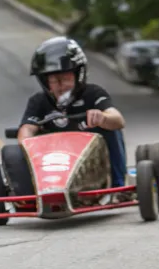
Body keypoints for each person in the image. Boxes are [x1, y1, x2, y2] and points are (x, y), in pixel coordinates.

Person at [17, 36, 128, 187]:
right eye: (54, 80)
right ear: (45, 82)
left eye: (66, 78)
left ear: (78, 76)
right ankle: (28, 192)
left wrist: (102, 118)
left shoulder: (93, 93)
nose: (61, 86)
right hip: (53, 162)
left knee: (112, 130)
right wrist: (26, 142)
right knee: (14, 150)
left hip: (91, 162)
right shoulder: (39, 101)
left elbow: (118, 119)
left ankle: (118, 185)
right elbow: (27, 129)